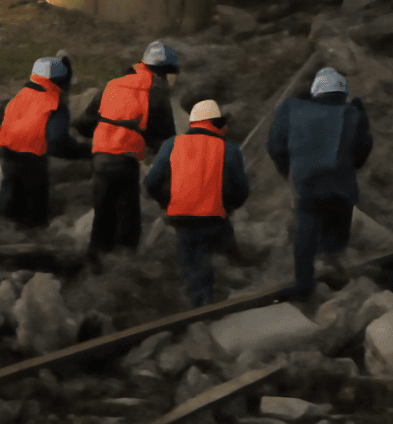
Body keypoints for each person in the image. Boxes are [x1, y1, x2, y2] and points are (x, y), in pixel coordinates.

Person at [267, 67, 373, 301]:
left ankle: (305, 286)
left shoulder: (292, 110)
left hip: (306, 184)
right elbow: (363, 150)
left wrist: (288, 172)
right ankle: (334, 270)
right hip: (341, 187)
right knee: (337, 228)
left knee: (307, 229)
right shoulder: (353, 114)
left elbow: (275, 146)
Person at [75, 40, 177, 258]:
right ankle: (126, 264)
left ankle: (95, 261)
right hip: (126, 160)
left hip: (100, 158)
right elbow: (166, 140)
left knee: (102, 215)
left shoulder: (112, 85)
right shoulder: (156, 91)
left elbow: (84, 123)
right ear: (165, 71)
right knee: (128, 219)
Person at [145, 99, 250, 308]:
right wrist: (228, 206)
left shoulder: (171, 144)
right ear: (216, 123)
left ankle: (199, 306)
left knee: (193, 266)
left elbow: (151, 182)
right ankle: (229, 293)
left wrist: (168, 203)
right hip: (216, 219)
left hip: (182, 220)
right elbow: (241, 191)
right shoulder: (228, 148)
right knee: (224, 257)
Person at [0, 53, 92, 229]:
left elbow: (3, 124)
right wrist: (87, 152)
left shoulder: (15, 99)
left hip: (7, 161)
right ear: (61, 82)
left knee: (7, 218)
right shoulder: (55, 105)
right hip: (33, 166)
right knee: (34, 222)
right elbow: (57, 142)